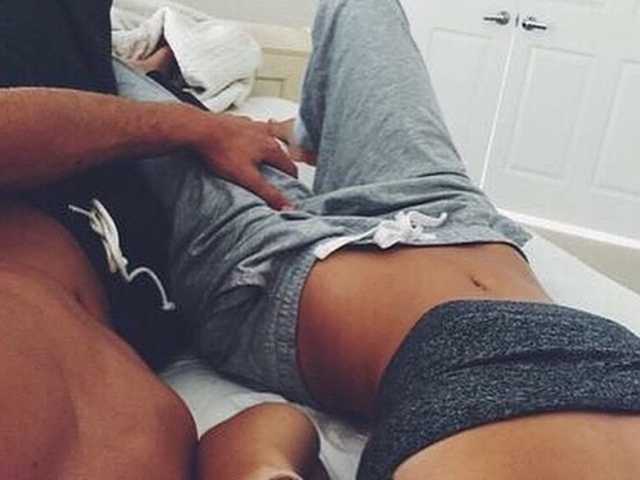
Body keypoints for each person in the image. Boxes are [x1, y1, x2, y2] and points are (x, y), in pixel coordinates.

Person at [2, 0, 640, 479]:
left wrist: (264, 472)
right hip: (448, 214)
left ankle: (165, 77)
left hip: (275, 262)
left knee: (90, 77)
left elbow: (263, 430)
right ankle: (302, 133)